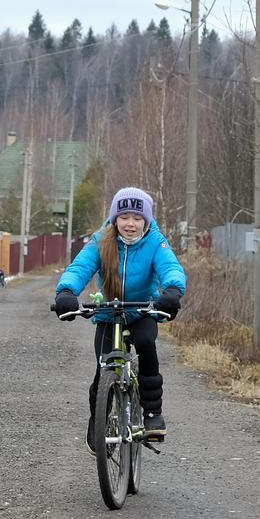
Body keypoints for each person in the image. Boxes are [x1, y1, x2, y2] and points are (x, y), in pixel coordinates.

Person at [51, 186, 186, 443]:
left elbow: (171, 268)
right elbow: (80, 267)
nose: (131, 224)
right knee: (103, 369)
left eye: (137, 218)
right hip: (108, 313)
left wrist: (171, 291)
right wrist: (66, 292)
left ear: (146, 220)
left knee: (146, 344)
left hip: (142, 310)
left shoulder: (155, 242)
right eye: (124, 217)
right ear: (115, 219)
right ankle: (99, 419)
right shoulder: (101, 240)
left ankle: (152, 413)